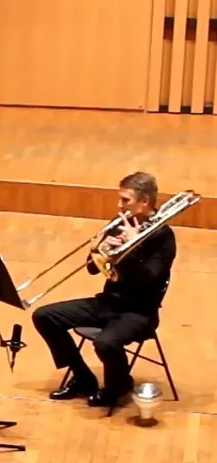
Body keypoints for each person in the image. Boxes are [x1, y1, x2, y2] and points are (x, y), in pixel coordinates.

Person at [32, 172, 176, 407]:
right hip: (107, 302)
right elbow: (92, 268)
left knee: (106, 343)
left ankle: (117, 386)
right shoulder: (120, 223)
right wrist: (101, 249)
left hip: (139, 312)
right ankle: (82, 377)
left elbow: (149, 279)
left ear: (145, 201)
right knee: (45, 316)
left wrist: (134, 246)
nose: (119, 205)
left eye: (125, 200)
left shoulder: (163, 236)